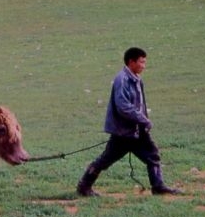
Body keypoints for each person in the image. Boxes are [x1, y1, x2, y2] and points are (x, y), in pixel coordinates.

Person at [77, 47, 182, 196]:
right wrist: (144, 120)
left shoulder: (136, 79)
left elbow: (139, 105)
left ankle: (158, 186)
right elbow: (123, 107)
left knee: (153, 155)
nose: (144, 66)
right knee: (105, 160)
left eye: (145, 62)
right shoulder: (122, 79)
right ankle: (84, 187)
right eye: (141, 62)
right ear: (131, 62)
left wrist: (143, 123)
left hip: (137, 131)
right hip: (123, 133)